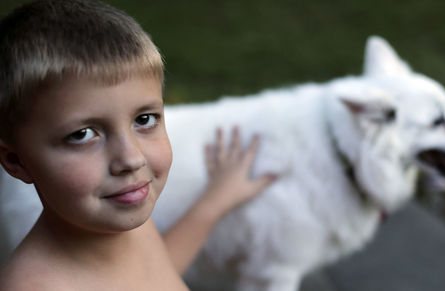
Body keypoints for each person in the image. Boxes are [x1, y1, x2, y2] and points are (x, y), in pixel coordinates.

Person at [0, 0, 276, 290]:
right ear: (15, 161)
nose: (132, 159)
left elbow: (156, 274)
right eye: (82, 134)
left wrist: (214, 202)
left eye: (144, 119)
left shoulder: (126, 221)